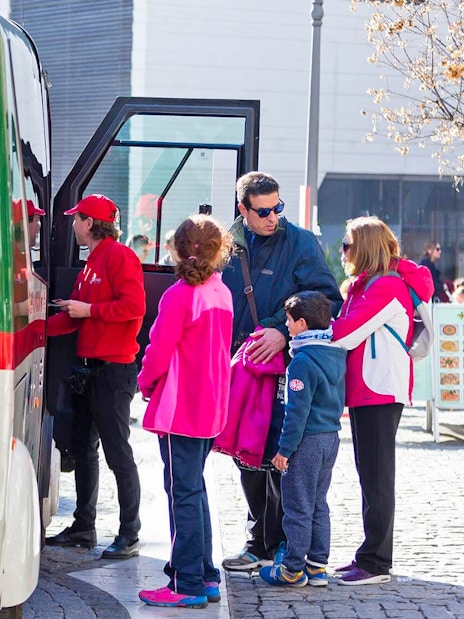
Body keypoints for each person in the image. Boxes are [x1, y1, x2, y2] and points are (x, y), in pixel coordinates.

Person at [221, 171, 343, 572]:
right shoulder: (229, 244)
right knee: (245, 453)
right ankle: (258, 541)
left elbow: (327, 299)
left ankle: (284, 547)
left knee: (279, 453)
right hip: (241, 367)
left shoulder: (301, 242)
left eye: (278, 207)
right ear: (243, 210)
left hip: (283, 368)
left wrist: (278, 328)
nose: (273, 216)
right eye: (263, 211)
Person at [137, 214, 233, 609]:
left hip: (181, 406)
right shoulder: (221, 292)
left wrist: (145, 382)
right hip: (211, 405)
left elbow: (158, 351)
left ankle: (187, 581)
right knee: (194, 490)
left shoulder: (179, 294)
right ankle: (204, 576)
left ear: (175, 248)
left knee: (183, 494)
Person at [331, 216, 433, 585]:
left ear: (364, 248)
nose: (341, 251)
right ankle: (369, 554)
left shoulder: (385, 287)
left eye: (346, 244)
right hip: (369, 388)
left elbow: (345, 333)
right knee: (370, 473)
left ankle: (376, 561)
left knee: (377, 475)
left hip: (379, 389)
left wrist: (314, 327)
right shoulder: (368, 285)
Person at [45, 194, 146, 559]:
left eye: (77, 219)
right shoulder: (94, 261)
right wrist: (36, 329)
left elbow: (134, 307)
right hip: (89, 369)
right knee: (85, 450)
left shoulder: (119, 256)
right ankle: (84, 527)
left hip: (113, 372)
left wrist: (89, 309)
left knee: (118, 455)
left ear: (90, 223)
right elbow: (74, 316)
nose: (72, 225)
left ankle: (129, 534)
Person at [259, 291, 346, 588]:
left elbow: (296, 413)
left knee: (297, 504)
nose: (286, 325)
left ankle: (292, 569)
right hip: (330, 437)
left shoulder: (302, 363)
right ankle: (317, 566)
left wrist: (284, 450)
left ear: (303, 325)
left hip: (307, 440)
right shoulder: (334, 353)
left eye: (289, 321)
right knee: (318, 503)